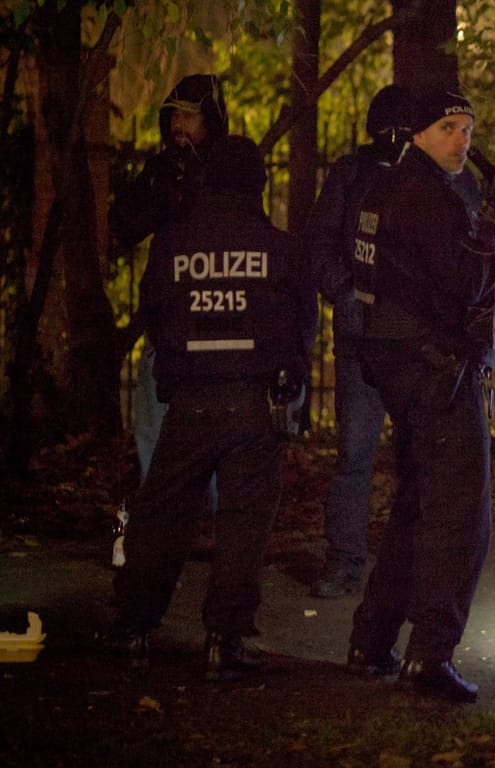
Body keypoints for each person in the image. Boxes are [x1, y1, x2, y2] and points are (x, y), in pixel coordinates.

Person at [108, 136, 317, 681]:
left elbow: (154, 309)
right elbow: (303, 323)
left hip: (191, 400)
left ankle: (133, 628)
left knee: (162, 517)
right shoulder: (279, 248)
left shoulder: (173, 245)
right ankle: (225, 639)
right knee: (243, 523)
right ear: (256, 184)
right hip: (254, 401)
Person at [344, 87, 495, 703]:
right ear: (416, 133)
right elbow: (468, 281)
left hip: (400, 367)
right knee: (460, 515)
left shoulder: (379, 189)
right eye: (448, 127)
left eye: (468, 127)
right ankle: (429, 656)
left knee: (417, 504)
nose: (462, 139)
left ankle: (373, 640)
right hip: (436, 373)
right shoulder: (424, 197)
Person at [305, 85, 411, 598]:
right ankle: (346, 561)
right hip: (364, 337)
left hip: (406, 340)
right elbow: (320, 244)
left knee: (396, 454)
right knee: (356, 452)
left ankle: (391, 563)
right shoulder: (352, 173)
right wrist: (345, 297)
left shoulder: (419, 175)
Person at [110, 73, 229, 483]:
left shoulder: (229, 169)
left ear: (210, 120)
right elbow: (123, 225)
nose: (180, 125)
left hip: (214, 316)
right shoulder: (161, 169)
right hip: (164, 317)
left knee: (211, 426)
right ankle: (156, 517)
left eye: (190, 117)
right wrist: (160, 199)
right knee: (153, 423)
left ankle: (209, 521)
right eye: (175, 116)